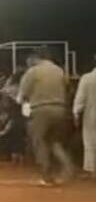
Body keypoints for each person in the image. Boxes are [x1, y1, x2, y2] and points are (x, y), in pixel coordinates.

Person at [19, 49, 75, 186]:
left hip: (41, 109)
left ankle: (46, 175)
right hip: (60, 109)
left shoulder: (33, 71)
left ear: (34, 58)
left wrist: (23, 101)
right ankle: (67, 165)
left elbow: (22, 95)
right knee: (54, 141)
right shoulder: (59, 70)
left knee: (40, 142)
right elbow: (68, 89)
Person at [73, 55, 96, 179]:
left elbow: (80, 98)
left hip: (91, 114)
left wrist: (76, 113)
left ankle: (92, 170)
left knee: (90, 142)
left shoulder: (87, 78)